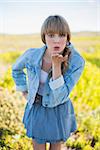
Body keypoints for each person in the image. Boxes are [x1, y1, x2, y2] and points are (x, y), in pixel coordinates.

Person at [12, 15, 85, 150]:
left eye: (62, 35)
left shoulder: (77, 62)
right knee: (38, 146)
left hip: (58, 109)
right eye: (51, 35)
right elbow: (16, 70)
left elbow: (60, 95)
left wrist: (56, 67)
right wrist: (24, 91)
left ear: (68, 37)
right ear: (44, 37)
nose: (56, 40)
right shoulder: (31, 55)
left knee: (55, 145)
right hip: (37, 107)